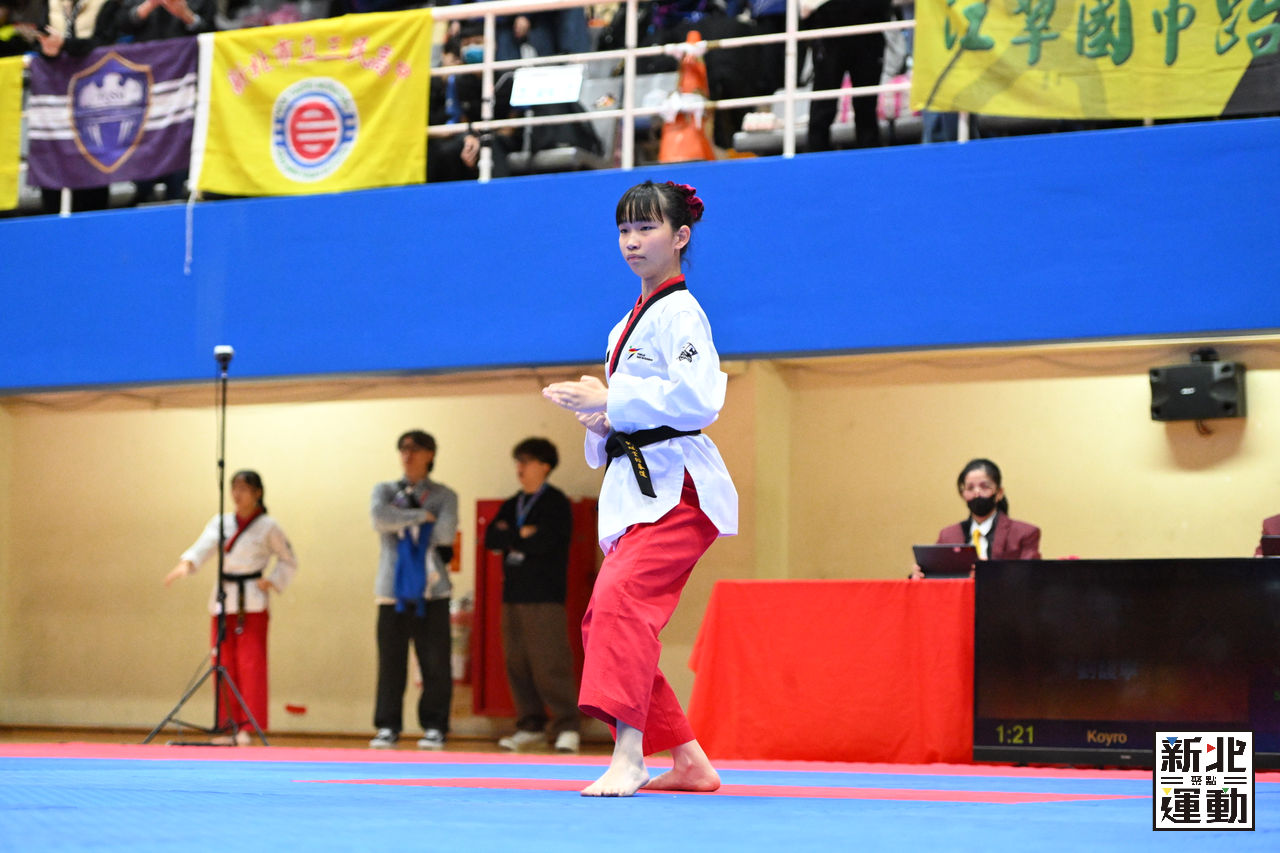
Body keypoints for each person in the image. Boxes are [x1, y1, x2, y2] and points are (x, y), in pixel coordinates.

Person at [542, 179, 737, 797]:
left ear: (680, 237)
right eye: (624, 230)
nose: (632, 241)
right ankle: (689, 760)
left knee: (620, 605)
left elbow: (699, 399)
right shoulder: (620, 327)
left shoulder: (681, 313)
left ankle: (629, 755)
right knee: (606, 618)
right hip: (638, 488)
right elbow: (631, 415)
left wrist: (613, 399)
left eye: (647, 228)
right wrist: (598, 417)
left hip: (679, 488)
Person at [165, 470, 298, 745]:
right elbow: (203, 547)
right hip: (223, 598)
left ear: (258, 493)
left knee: (251, 664)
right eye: (234, 488)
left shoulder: (268, 526)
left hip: (252, 601)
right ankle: (227, 725)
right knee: (222, 662)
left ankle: (248, 726)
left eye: (244, 488)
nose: (237, 494)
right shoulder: (221, 522)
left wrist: (273, 580)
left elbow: (288, 559)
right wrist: (186, 564)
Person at [483, 437, 581, 754]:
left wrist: (513, 536)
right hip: (513, 595)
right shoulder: (512, 503)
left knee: (550, 662)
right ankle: (530, 726)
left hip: (545, 596)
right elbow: (491, 538)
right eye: (518, 461)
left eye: (526, 461)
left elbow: (545, 543)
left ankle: (567, 726)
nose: (520, 467)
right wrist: (521, 535)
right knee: (518, 663)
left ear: (544, 466)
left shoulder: (556, 503)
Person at [369, 430, 459, 750]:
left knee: (435, 661)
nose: (408, 455)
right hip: (391, 589)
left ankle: (435, 726)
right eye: (403, 449)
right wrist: (422, 517)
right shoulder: (384, 490)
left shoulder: (444, 495)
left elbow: (445, 533)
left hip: (432, 590)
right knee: (390, 662)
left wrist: (403, 520)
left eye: (416, 449)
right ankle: (387, 726)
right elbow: (380, 519)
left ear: (430, 455)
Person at [116, 0, 215, 204]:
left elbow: (211, 33)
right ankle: (143, 191)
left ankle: (176, 192)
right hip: (145, 77)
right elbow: (120, 25)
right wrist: (148, 6)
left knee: (181, 133)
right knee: (143, 133)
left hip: (185, 76)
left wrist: (185, 14)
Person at [912, 458, 1040, 578]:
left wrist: (990, 572)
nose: (977, 493)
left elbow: (1031, 577)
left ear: (999, 493)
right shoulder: (948, 535)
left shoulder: (1024, 533)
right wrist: (921, 574)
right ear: (962, 494)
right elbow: (937, 577)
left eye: (984, 487)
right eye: (970, 488)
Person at [802, 0, 892, 151]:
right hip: (829, 32)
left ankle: (870, 158)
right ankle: (816, 158)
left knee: (866, 107)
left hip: (867, 30)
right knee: (823, 106)